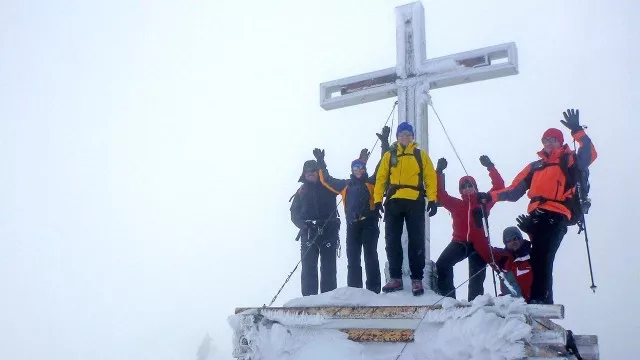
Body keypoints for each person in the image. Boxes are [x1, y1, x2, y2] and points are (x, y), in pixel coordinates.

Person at [477, 108, 597, 304]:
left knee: (543, 256)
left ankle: (542, 300)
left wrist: (577, 130)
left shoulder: (569, 159)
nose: (548, 142)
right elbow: (514, 191)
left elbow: (589, 155)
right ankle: (536, 298)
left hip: (557, 214)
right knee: (536, 257)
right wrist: (489, 197)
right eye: (545, 140)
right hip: (536, 216)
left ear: (560, 141)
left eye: (552, 139)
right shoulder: (535, 166)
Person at [373, 122, 438, 296]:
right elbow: (381, 178)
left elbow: (430, 176)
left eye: (408, 134)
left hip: (415, 200)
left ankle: (417, 279)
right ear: (397, 136)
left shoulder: (420, 155)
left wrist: (432, 199)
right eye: (402, 134)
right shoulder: (389, 155)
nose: (405, 137)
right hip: (394, 200)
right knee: (392, 239)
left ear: (412, 136)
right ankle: (396, 278)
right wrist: (378, 200)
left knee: (416, 240)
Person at [434, 155, 505, 301]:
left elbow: (499, 187)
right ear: (460, 190)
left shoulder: (483, 201)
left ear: (475, 187)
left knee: (476, 278)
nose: (467, 188)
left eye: (469, 185)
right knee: (442, 264)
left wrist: (490, 167)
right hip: (460, 243)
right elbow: (440, 194)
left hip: (480, 245)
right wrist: (439, 172)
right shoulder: (456, 204)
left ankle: (475, 306)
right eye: (463, 187)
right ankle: (449, 299)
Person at [313, 147, 381, 293]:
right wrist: (320, 162)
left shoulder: (371, 182)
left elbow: (382, 168)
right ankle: (354, 291)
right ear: (352, 170)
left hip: (369, 223)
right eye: (355, 167)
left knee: (371, 257)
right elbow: (326, 180)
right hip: (352, 225)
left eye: (361, 167)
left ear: (364, 168)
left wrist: (384, 144)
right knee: (353, 259)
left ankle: (373, 290)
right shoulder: (345, 185)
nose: (358, 170)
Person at [289, 159, 340, 296]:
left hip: (329, 229)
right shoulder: (302, 191)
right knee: (308, 268)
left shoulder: (328, 186)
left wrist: (323, 164)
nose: (310, 174)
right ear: (304, 174)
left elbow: (338, 185)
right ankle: (308, 300)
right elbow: (294, 212)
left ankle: (328, 298)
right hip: (309, 231)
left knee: (328, 267)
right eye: (307, 172)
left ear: (318, 172)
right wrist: (303, 225)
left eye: (313, 171)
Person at [497, 225, 533, 302]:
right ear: (505, 243)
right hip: (510, 307)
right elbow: (484, 250)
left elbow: (542, 244)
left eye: (516, 238)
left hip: (532, 304)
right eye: (509, 240)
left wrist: (531, 233)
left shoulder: (532, 255)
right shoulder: (501, 259)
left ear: (521, 240)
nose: (513, 241)